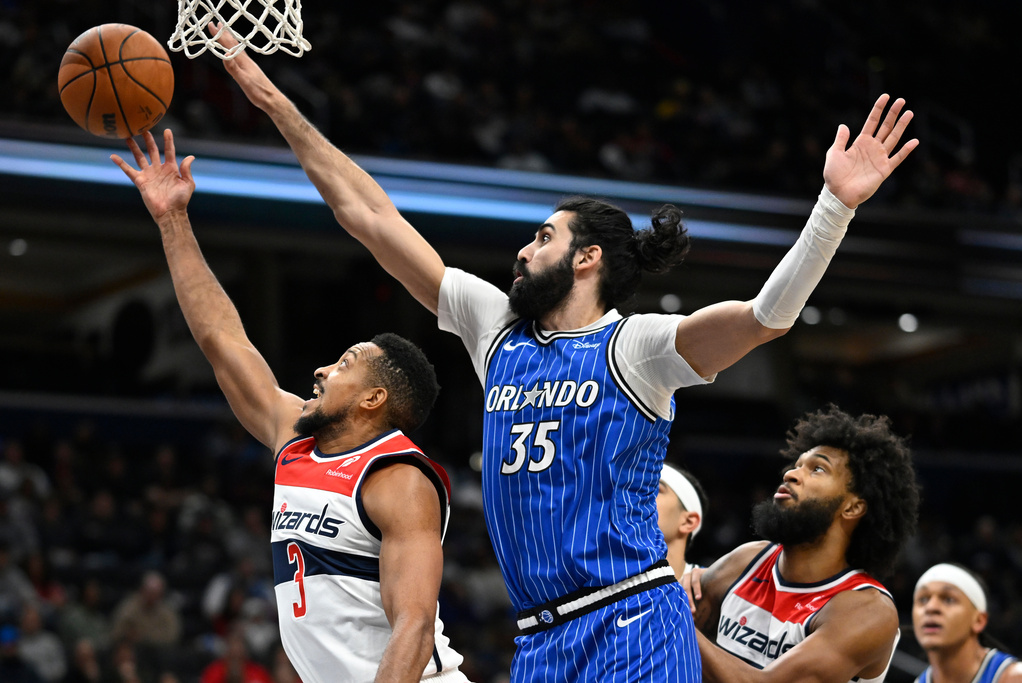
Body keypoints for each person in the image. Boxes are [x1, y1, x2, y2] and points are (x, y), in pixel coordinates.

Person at [210, 25, 917, 681]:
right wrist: (274, 100)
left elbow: (767, 316)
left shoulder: (635, 347)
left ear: (589, 257)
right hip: (540, 640)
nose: (523, 249)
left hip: (631, 617)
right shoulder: (497, 328)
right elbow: (367, 215)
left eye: (543, 237)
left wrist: (834, 207)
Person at [110, 131, 469, 683]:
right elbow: (222, 341)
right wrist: (171, 220)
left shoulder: (397, 478)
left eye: (346, 363)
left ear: (376, 399)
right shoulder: (295, 436)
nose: (324, 369)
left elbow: (414, 627)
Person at [689, 405, 919, 683]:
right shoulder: (745, 562)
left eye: (817, 469)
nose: (791, 475)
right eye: (796, 465)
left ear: (852, 507)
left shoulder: (867, 610)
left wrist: (670, 609)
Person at [912, 563, 1022, 683]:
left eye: (948, 599)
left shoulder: (1016, 678)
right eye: (923, 599)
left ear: (979, 620)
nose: (931, 607)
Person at [657, 464, 707, 580]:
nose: (638, 498)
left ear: (688, 522)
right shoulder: (608, 581)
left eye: (656, 489)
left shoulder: (713, 590)